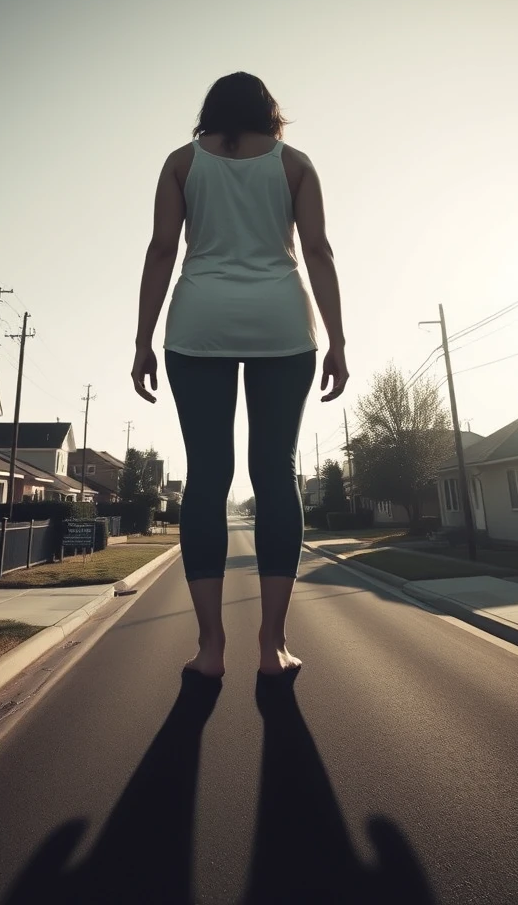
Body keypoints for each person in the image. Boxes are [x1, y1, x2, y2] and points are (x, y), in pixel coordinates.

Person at [131, 72, 347, 679]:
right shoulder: (295, 164)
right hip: (281, 322)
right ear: (269, 113)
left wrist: (142, 339)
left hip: (199, 322)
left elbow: (160, 250)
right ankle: (273, 647)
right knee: (274, 472)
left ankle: (209, 649)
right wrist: (338, 340)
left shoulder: (180, 162)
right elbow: (319, 251)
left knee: (208, 475)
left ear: (210, 111)